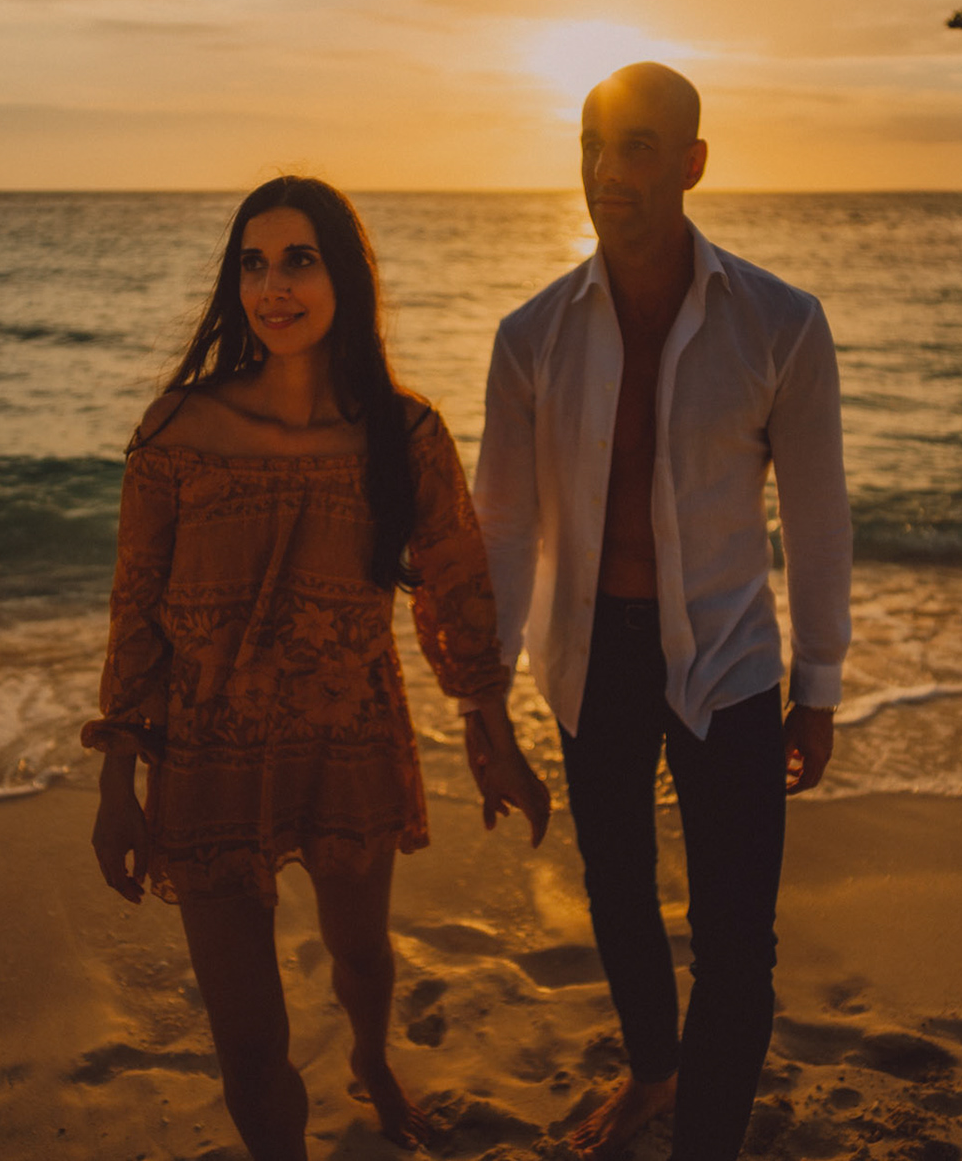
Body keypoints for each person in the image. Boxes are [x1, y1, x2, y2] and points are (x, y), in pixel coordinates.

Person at [84, 176, 551, 1160]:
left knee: (362, 954)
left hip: (349, 738)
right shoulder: (176, 431)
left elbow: (459, 590)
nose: (273, 287)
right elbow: (137, 612)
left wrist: (493, 737)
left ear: (345, 274)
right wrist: (116, 780)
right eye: (253, 264)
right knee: (250, 1044)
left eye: (299, 260)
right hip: (207, 754)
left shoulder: (404, 434)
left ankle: (372, 1059)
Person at [470, 64, 852, 1160]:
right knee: (619, 893)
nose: (606, 169)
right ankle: (653, 1070)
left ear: (692, 163)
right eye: (593, 143)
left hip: (729, 660)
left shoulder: (780, 324)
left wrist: (818, 686)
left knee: (737, 941)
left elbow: (818, 518)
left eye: (636, 145)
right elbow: (505, 530)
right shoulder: (532, 336)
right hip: (590, 655)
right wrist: (483, 702)